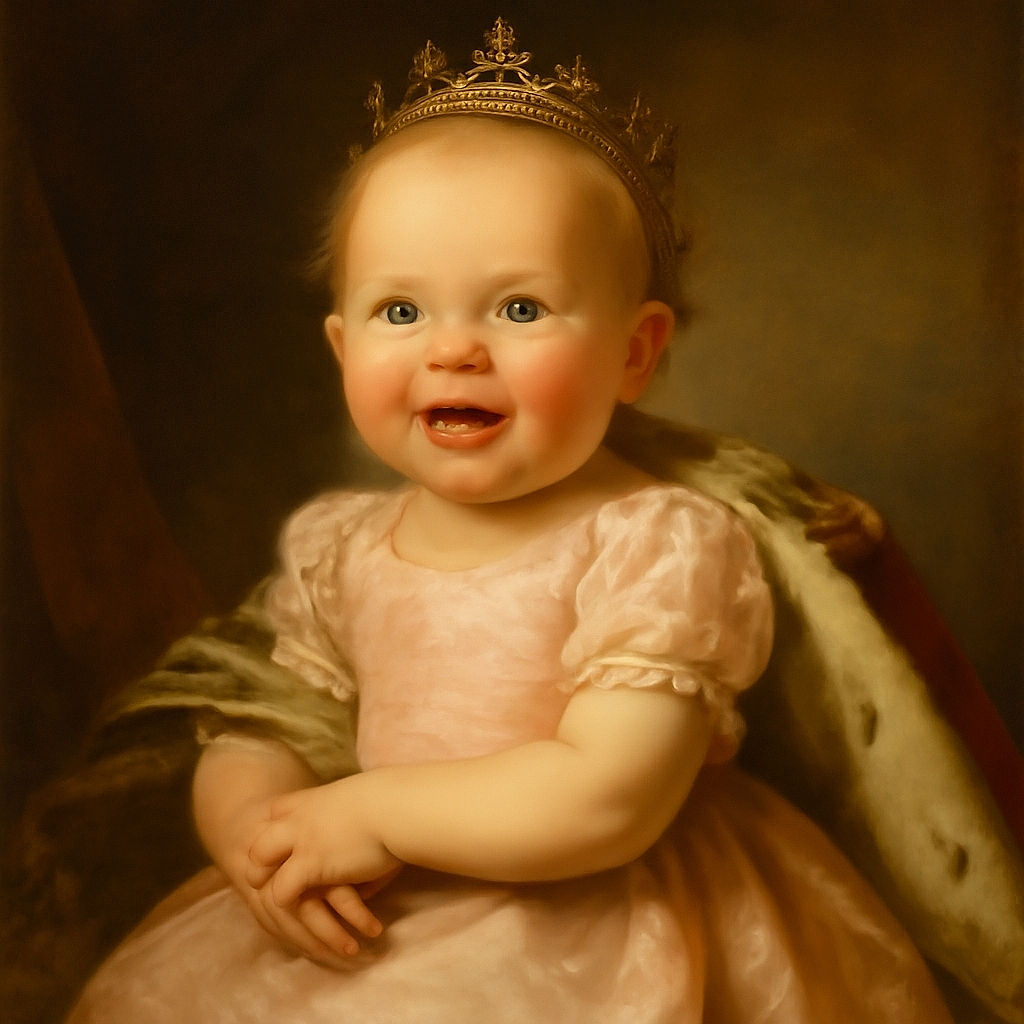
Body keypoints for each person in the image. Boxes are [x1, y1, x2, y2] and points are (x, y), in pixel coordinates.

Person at [65, 19, 959, 1023]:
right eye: (401, 311)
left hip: (595, 920)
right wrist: (259, 838)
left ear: (633, 352)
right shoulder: (343, 548)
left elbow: (606, 795)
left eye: (520, 309)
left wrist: (372, 812)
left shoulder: (655, 542)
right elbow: (267, 721)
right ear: (341, 347)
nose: (452, 350)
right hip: (381, 899)